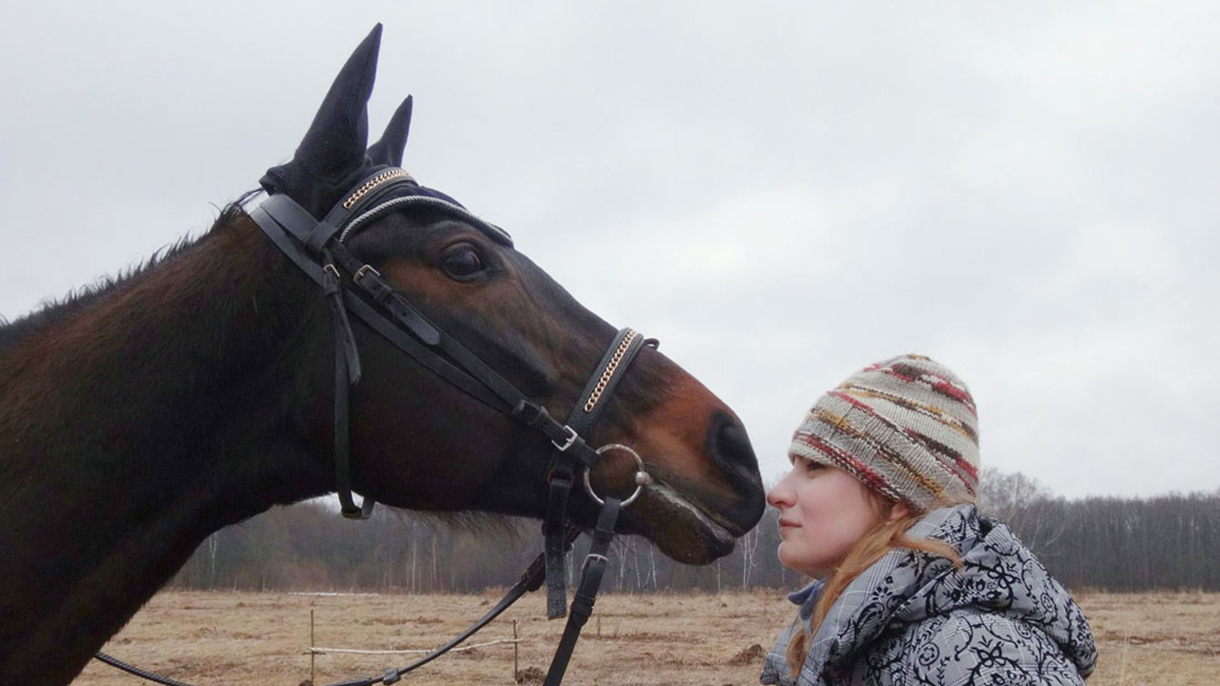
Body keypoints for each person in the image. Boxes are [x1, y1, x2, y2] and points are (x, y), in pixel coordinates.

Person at [760, 354, 1096, 686]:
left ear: (897, 499)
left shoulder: (974, 654)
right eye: (794, 466)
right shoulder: (853, 636)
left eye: (815, 466)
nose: (777, 493)